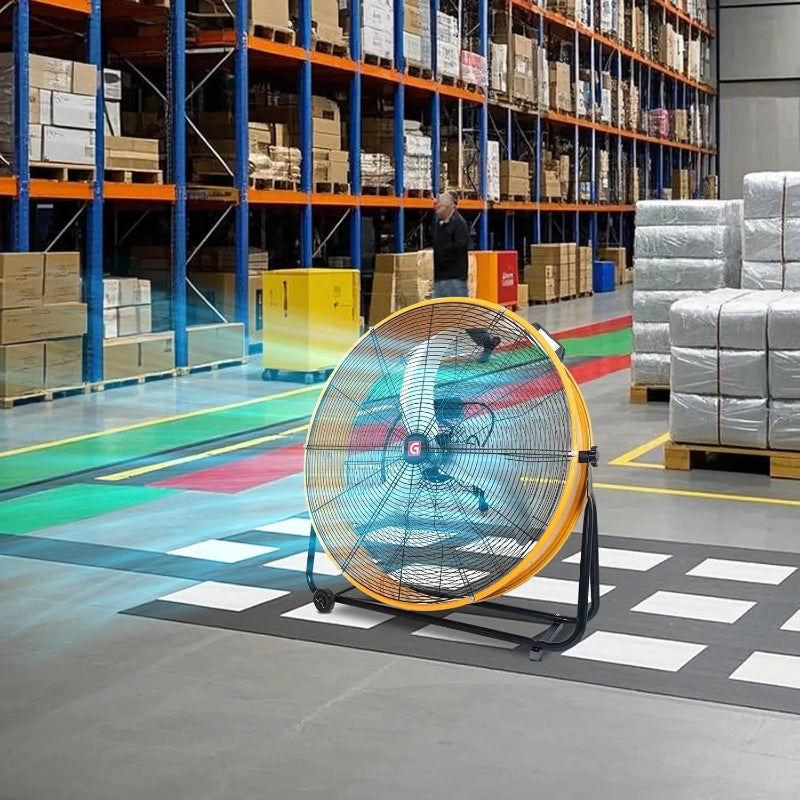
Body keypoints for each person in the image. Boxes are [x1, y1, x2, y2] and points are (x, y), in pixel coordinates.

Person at [431, 192, 500, 361]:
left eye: (440, 205)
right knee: (436, 316)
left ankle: (487, 342)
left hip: (455, 279)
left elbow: (459, 248)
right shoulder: (438, 223)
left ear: (450, 207)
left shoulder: (459, 225)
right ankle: (432, 354)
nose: (437, 208)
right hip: (440, 277)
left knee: (465, 318)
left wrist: (443, 252)